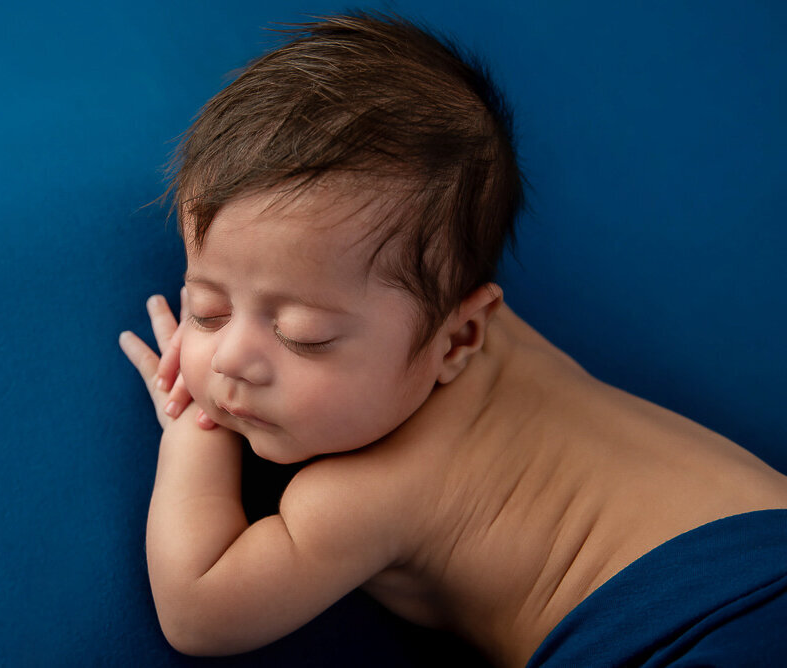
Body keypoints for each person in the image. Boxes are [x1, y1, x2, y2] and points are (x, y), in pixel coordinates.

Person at [119, 12, 787, 666]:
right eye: (207, 310)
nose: (231, 359)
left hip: (681, 622)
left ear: (460, 334)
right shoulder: (457, 318)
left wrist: (190, 429)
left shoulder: (365, 494)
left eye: (303, 336)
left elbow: (200, 610)